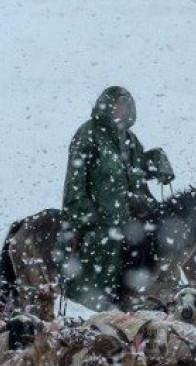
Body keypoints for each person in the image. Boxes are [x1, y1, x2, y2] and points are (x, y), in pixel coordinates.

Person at [59, 86, 174, 310]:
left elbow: (137, 167)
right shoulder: (89, 133)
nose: (119, 109)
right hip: (102, 215)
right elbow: (75, 179)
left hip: (131, 209)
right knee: (109, 243)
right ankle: (108, 298)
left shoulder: (129, 139)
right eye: (115, 104)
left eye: (124, 105)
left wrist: (158, 163)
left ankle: (155, 291)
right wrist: (82, 214)